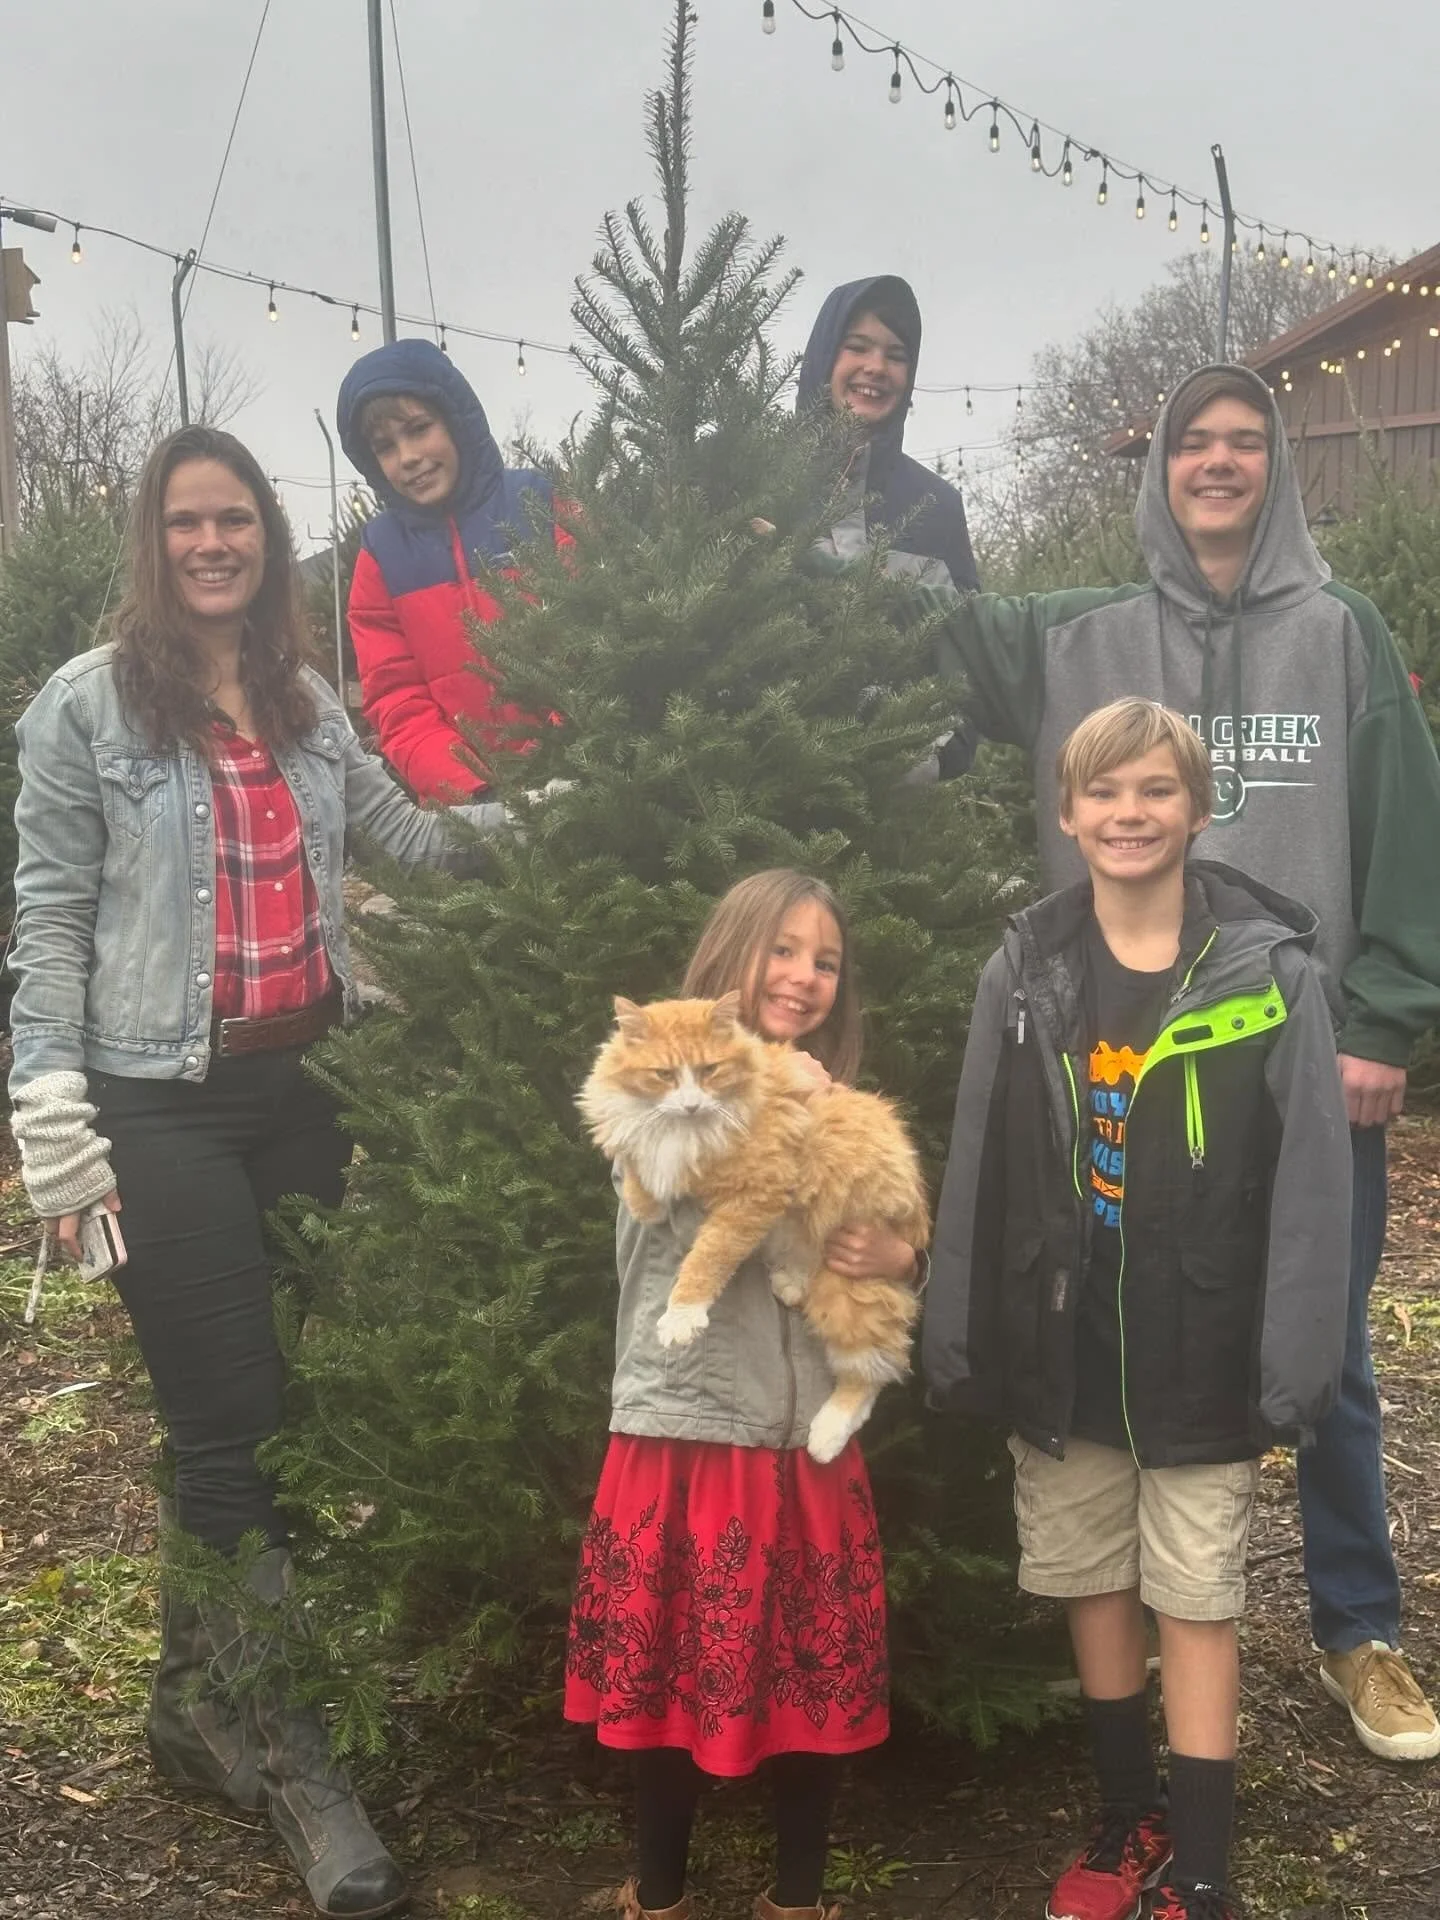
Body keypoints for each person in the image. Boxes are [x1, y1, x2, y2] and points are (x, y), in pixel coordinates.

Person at [7, 425, 514, 1919]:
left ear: (270, 539)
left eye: (236, 519)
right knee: (236, 1426)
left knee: (255, 1417)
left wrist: (567, 815)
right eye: (186, 522)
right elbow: (44, 917)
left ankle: (187, 1703)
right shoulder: (86, 709)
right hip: (161, 1110)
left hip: (304, 1095)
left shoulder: (305, 705)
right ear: (151, 544)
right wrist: (45, 1104)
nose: (214, 543)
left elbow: (412, 847)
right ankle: (292, 1751)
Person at [929, 362, 1440, 1762]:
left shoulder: (1343, 632)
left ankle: (1357, 1629)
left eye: (1244, 444)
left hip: (1298, 1060)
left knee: (1325, 1350)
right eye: (1193, 444)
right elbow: (922, 627)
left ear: (1276, 469)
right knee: (1105, 1328)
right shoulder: (1080, 634)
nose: (1218, 463)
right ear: (1156, 470)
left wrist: (1384, 1020)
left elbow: (1406, 825)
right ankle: (1139, 1634)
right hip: (1112, 1070)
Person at [924, 699, 1351, 1920]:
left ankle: (1204, 1869)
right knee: (1092, 1583)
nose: (1129, 814)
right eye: (1104, 794)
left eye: (1156, 790)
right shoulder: (1025, 970)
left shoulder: (1268, 976)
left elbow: (1317, 1190)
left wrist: (1296, 1358)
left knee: (1198, 1598)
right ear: (1067, 814)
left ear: (1199, 810)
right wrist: (959, 1330)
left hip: (1206, 1354)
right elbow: (976, 1161)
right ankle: (1128, 1818)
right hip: (1065, 1352)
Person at [564, 870, 924, 1920]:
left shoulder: (834, 1101)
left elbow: (883, 1227)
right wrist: (779, 1097)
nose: (805, 976)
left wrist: (903, 1254)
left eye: (826, 962)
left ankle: (800, 1900)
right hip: (688, 1422)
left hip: (803, 1433)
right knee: (671, 1670)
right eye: (784, 950)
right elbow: (667, 1211)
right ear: (732, 958)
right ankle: (658, 1892)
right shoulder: (651, 1090)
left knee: (809, 1684)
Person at [337, 337, 562, 800]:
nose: (408, 457)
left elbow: (596, 640)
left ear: (457, 422)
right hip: (470, 817)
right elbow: (397, 700)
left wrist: (558, 760)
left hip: (577, 779)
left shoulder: (541, 505)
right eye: (385, 447)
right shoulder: (381, 556)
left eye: (419, 428)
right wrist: (475, 792)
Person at [797, 275, 980, 781]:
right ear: (823, 357)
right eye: (857, 347)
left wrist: (920, 764)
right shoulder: (756, 480)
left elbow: (966, 668)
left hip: (896, 822)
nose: (875, 368)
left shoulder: (935, 507)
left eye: (895, 355)